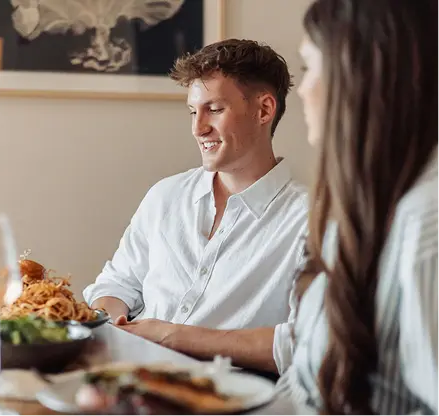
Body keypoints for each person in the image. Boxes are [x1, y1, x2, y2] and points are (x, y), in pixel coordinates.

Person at [83, 39, 309, 374]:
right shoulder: (166, 196)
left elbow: (308, 344)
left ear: (263, 110)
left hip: (229, 398)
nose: (197, 128)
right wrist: (111, 320)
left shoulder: (313, 220)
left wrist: (173, 336)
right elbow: (117, 282)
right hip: (128, 379)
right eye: (193, 111)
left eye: (214, 110)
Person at [273, 0, 439, 414]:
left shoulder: (425, 221)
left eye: (309, 67)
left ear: (359, 76)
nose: (302, 89)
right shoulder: (357, 213)